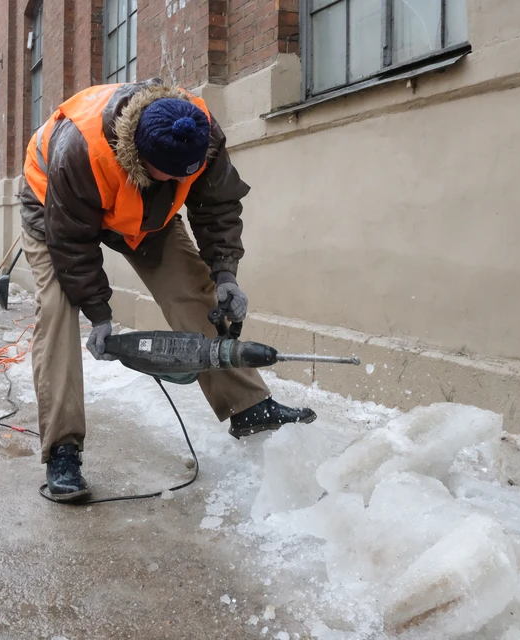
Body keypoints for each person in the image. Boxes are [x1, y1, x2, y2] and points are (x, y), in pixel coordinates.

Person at [20, 80, 317, 502]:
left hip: (143, 210)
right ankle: (62, 449)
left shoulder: (199, 132)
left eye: (188, 173)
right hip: (54, 208)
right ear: (140, 158)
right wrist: (100, 316)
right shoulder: (80, 152)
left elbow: (216, 206)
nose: (184, 179)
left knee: (194, 289)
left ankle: (247, 406)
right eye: (174, 174)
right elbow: (72, 245)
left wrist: (226, 274)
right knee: (56, 311)